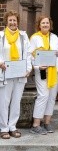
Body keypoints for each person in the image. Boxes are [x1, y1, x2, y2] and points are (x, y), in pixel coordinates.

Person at [29, 15, 58, 135]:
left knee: (52, 97)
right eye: (43, 23)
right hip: (42, 71)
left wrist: (57, 53)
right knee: (43, 95)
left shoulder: (54, 37)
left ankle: (47, 122)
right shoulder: (34, 38)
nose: (45, 25)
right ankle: (36, 124)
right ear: (39, 25)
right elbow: (30, 55)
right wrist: (37, 67)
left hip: (55, 71)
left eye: (47, 23)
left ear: (50, 25)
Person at [0, 10, 32, 139]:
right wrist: (0, 63)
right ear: (6, 22)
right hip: (5, 73)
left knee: (16, 101)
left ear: (17, 22)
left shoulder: (23, 36)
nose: (13, 22)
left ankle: (12, 127)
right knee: (4, 102)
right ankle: (3, 128)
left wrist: (28, 69)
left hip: (19, 74)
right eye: (10, 20)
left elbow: (28, 54)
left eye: (14, 20)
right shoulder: (1, 36)